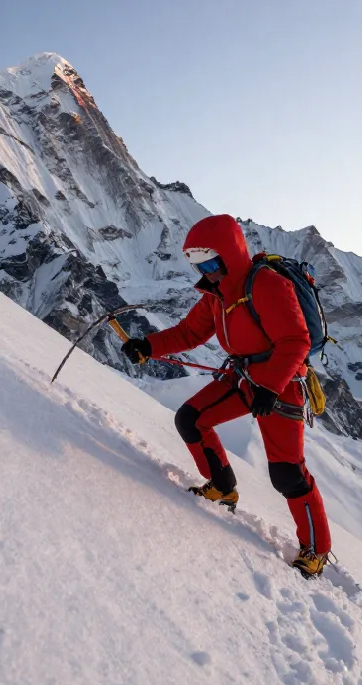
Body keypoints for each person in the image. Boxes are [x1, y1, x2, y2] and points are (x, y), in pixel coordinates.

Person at [121, 214, 332, 578]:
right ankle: (223, 488)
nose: (207, 271)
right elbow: (189, 333)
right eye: (200, 265)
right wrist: (148, 345)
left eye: (212, 262)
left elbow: (297, 340)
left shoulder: (267, 285)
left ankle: (316, 550)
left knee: (287, 474)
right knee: (191, 419)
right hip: (246, 377)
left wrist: (272, 385)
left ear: (231, 255)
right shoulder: (217, 295)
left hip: (280, 387)